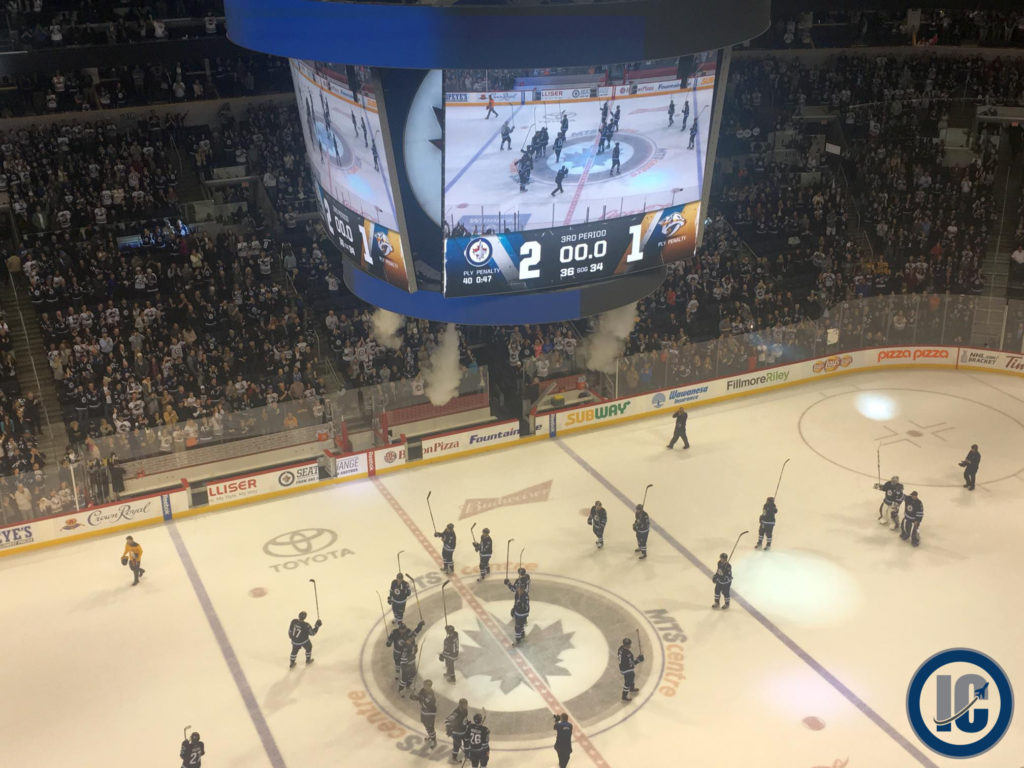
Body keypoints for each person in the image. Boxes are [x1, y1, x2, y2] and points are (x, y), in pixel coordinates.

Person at [409, 680, 438, 748]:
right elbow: (417, 698)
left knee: (430, 726)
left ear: (430, 686)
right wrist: (412, 694)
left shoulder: (431, 694)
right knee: (425, 724)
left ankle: (433, 740)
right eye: (424, 685)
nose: (425, 686)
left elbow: (424, 701)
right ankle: (430, 735)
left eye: (427, 685)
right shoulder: (422, 690)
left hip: (430, 713)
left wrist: (418, 697)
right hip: (424, 711)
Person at [617, 637, 644, 702]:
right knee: (628, 682)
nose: (630, 645)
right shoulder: (628, 654)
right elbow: (631, 664)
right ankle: (624, 696)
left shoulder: (620, 648)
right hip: (627, 669)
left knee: (632, 676)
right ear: (627, 645)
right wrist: (639, 660)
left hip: (622, 667)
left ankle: (632, 688)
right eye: (629, 644)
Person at [445, 698, 470, 763]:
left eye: (466, 704)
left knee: (467, 743)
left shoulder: (465, 710)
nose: (466, 705)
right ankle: (454, 757)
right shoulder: (456, 712)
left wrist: (467, 723)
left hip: (464, 731)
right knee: (457, 746)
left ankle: (467, 755)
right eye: (464, 704)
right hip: (457, 733)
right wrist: (448, 730)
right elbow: (447, 720)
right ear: (461, 705)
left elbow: (464, 719)